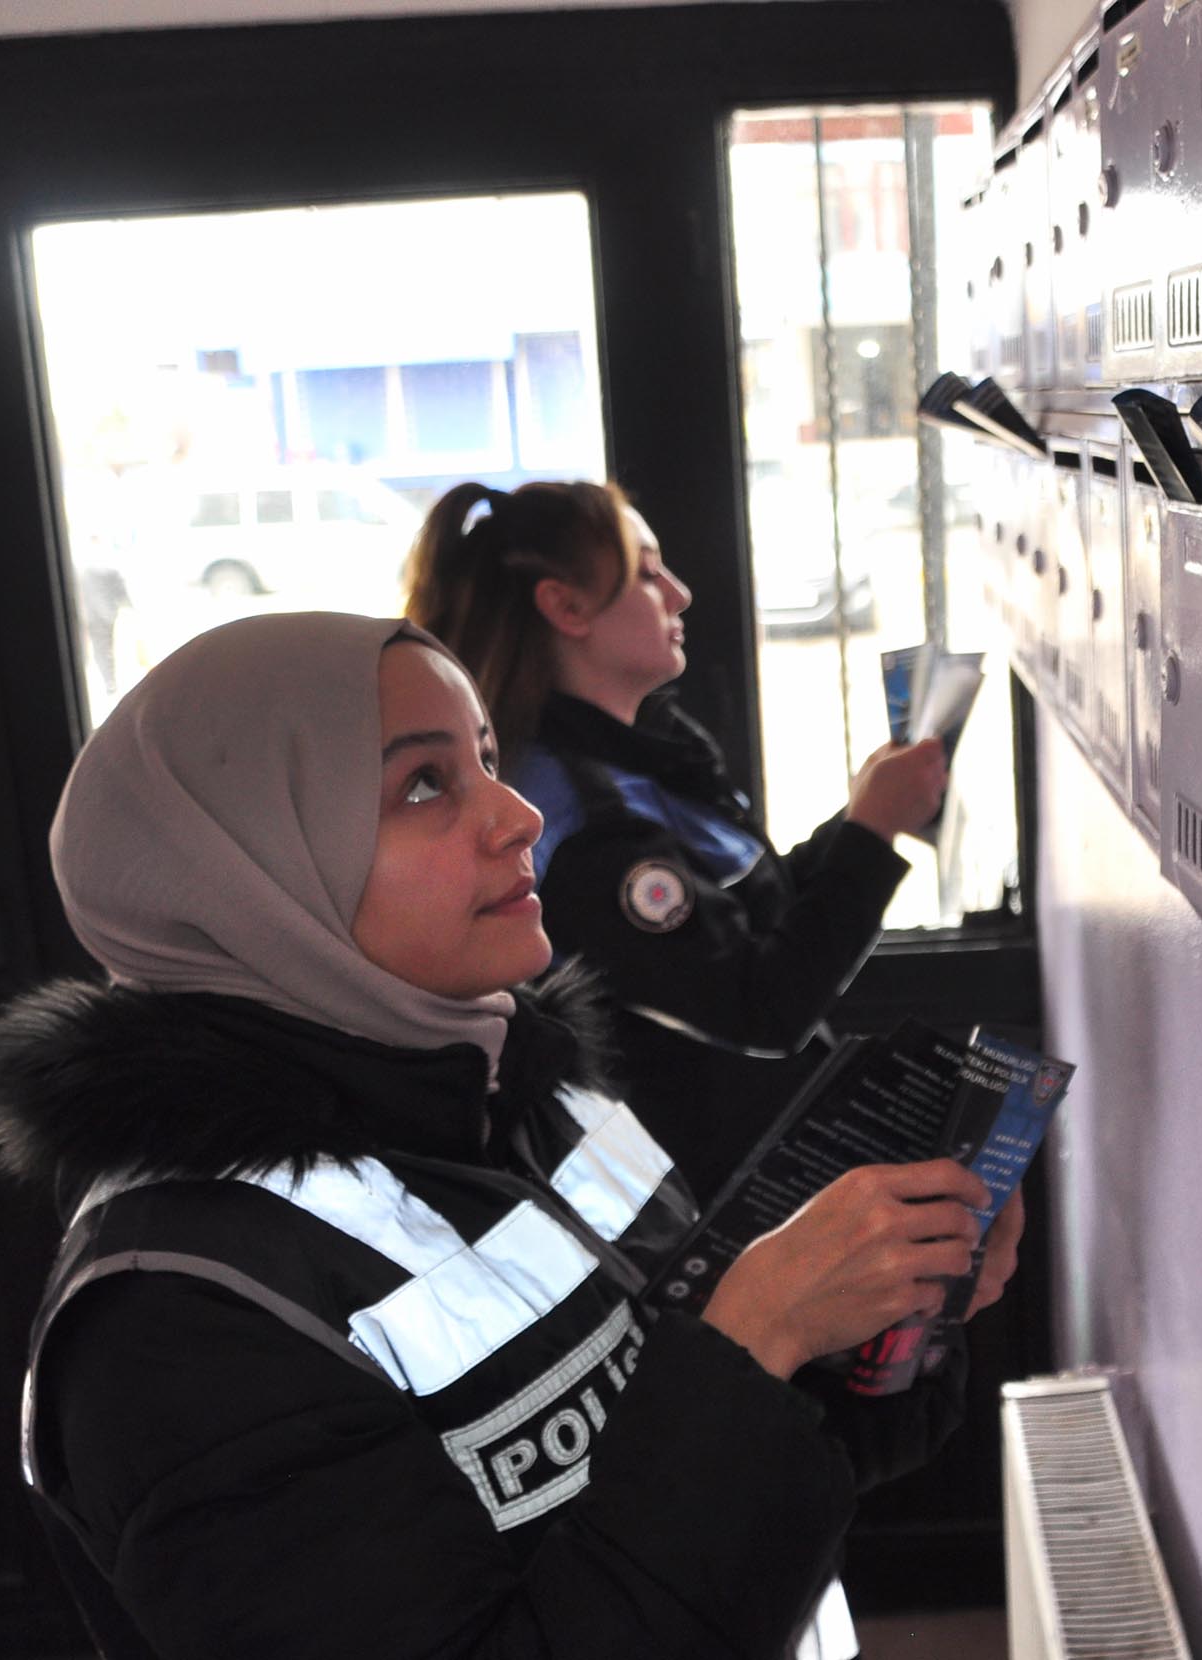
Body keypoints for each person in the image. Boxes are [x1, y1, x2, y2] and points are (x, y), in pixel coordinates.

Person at [0, 612, 1021, 1659]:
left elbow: (763, 1446)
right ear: (256, 876)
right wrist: (748, 1349)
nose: (517, 815)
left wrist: (891, 1309)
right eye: (426, 784)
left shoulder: (529, 1092)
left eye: (487, 760)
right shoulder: (174, 1323)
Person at [404, 482, 949, 1202]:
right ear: (565, 607)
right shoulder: (578, 822)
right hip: (702, 1206)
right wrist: (871, 835)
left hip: (764, 1163)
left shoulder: (641, 756)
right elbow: (762, 1003)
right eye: (648, 573)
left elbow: (748, 914)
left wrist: (863, 820)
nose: (681, 594)